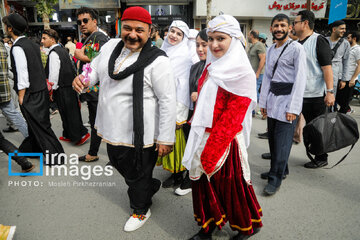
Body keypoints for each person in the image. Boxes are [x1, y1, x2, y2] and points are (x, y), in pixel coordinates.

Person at [72, 6, 176, 232]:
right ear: (120, 27)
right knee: (117, 160)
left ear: (150, 31)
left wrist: (166, 138)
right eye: (127, 28)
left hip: (141, 133)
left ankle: (141, 208)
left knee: (138, 172)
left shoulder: (158, 61)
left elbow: (168, 100)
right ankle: (148, 185)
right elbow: (95, 70)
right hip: (110, 126)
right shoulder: (110, 46)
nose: (132, 34)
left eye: (140, 30)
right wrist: (83, 79)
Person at [183, 14, 262, 240]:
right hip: (203, 135)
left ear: (234, 40)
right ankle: (208, 226)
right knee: (202, 184)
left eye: (221, 38)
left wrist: (212, 149)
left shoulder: (243, 73)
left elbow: (233, 115)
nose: (214, 44)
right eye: (211, 39)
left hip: (224, 140)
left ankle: (246, 226)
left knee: (230, 187)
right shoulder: (211, 67)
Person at [3, 13, 64, 165]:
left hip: (31, 93)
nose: (4, 27)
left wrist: (22, 95)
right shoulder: (32, 44)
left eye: (6, 25)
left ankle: (56, 157)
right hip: (40, 89)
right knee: (36, 125)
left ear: (10, 28)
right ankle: (32, 150)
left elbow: (23, 72)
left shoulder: (17, 47)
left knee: (40, 126)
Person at [259, 14, 307, 195]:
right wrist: (263, 103)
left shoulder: (296, 49)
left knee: (282, 143)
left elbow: (300, 80)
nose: (279, 29)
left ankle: (275, 179)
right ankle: (280, 169)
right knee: (273, 140)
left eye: (283, 25)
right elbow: (267, 79)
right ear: (271, 29)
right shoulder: (270, 49)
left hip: (288, 102)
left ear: (289, 28)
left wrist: (294, 108)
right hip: (273, 100)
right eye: (276, 25)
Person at [293, 10, 335, 168]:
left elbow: (327, 68)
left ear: (305, 23)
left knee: (316, 128)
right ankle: (279, 151)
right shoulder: (296, 44)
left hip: (315, 94)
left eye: (295, 22)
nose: (293, 25)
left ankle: (321, 156)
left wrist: (330, 92)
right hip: (298, 94)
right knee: (295, 126)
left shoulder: (318, 40)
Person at [158, 20, 193, 188]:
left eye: (179, 34)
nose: (174, 35)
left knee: (177, 141)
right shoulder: (162, 50)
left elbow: (184, 86)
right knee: (165, 138)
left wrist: (179, 113)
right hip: (162, 102)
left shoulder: (185, 55)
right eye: (172, 31)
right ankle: (173, 172)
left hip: (176, 105)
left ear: (184, 38)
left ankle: (179, 174)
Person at [41, 29, 90, 145]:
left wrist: (51, 90)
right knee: (69, 112)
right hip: (68, 86)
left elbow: (54, 75)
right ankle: (69, 134)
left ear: (52, 40)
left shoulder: (54, 53)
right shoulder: (61, 50)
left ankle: (78, 136)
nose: (42, 41)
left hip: (62, 88)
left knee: (69, 113)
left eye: (44, 38)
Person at [175, 28, 208, 196]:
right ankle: (189, 176)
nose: (200, 49)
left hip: (209, 121)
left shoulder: (218, 68)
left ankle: (193, 179)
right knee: (191, 147)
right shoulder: (195, 67)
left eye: (204, 45)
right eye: (197, 45)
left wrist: (200, 94)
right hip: (192, 116)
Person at [74, 7, 109, 162]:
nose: (82, 24)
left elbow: (99, 60)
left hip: (98, 90)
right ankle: (95, 153)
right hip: (92, 89)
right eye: (79, 21)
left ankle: (96, 153)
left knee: (100, 123)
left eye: (86, 20)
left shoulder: (99, 37)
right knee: (98, 123)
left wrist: (80, 55)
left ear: (95, 21)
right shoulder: (90, 37)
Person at [0, 37, 28, 137]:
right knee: (14, 113)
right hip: (5, 87)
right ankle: (32, 138)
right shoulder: (2, 47)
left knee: (14, 112)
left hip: (6, 84)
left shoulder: (12, 48)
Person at [337, 31, 360, 113]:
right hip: (343, 77)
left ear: (354, 39)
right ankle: (347, 109)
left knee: (344, 101)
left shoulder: (357, 49)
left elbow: (359, 65)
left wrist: (353, 79)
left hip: (350, 79)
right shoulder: (347, 47)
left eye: (348, 38)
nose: (347, 39)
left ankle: (342, 117)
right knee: (338, 98)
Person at [326, 20, 350, 97]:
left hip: (335, 73)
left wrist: (344, 79)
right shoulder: (324, 40)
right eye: (342, 29)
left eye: (345, 29)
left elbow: (346, 62)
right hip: (321, 72)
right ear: (334, 29)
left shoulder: (345, 43)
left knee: (331, 96)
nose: (344, 31)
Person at [248, 29, 266, 102]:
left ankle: (262, 108)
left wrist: (258, 73)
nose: (248, 37)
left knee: (254, 93)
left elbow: (263, 59)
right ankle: (253, 111)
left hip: (257, 74)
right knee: (252, 93)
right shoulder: (253, 46)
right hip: (252, 73)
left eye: (249, 35)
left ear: (252, 36)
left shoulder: (259, 45)